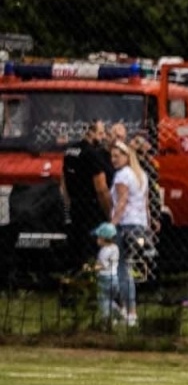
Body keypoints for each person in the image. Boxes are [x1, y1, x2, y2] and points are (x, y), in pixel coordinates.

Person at [59, 120, 114, 269]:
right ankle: (91, 275)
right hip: (92, 207)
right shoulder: (93, 155)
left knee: (76, 245)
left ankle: (76, 275)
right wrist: (110, 213)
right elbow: (101, 188)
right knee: (92, 247)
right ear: (91, 133)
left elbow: (63, 180)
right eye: (101, 133)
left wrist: (68, 202)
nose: (102, 137)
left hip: (75, 205)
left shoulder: (70, 151)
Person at [108, 141, 150, 326]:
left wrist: (112, 224)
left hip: (125, 225)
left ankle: (129, 311)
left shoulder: (122, 176)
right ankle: (126, 309)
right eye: (112, 156)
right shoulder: (141, 175)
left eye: (117, 156)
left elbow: (121, 202)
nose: (113, 159)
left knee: (122, 269)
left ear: (127, 156)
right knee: (128, 268)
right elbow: (146, 204)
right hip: (140, 225)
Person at [92, 222, 119, 324]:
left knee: (103, 299)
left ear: (103, 238)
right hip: (115, 277)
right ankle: (119, 313)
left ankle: (107, 320)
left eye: (98, 237)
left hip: (105, 278)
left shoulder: (104, 251)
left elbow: (103, 265)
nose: (97, 239)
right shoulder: (115, 248)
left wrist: (91, 268)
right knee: (109, 299)